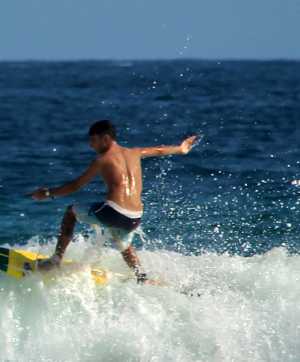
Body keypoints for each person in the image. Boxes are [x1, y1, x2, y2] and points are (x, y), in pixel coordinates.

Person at [28, 120, 197, 281]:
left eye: (93, 140)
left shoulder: (101, 161)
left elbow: (74, 187)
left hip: (114, 211)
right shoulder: (135, 152)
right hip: (135, 216)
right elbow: (160, 150)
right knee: (122, 241)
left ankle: (55, 260)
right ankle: (142, 277)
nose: (90, 145)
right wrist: (180, 149)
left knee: (70, 212)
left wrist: (49, 193)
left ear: (106, 139)